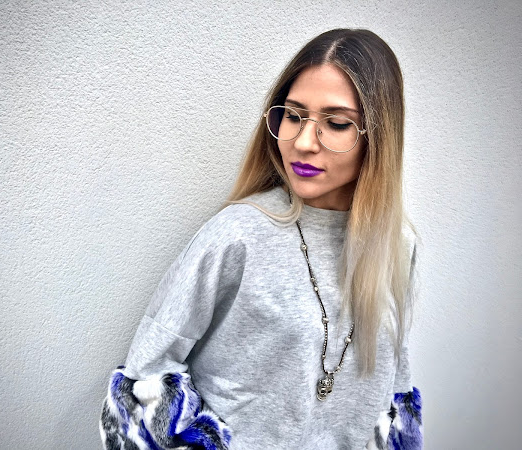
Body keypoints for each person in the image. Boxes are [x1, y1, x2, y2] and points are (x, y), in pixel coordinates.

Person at [99, 28, 423, 450]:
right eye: (293, 115)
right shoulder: (239, 234)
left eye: (337, 123)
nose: (303, 142)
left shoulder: (398, 245)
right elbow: (145, 377)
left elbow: (393, 395)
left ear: (378, 137)